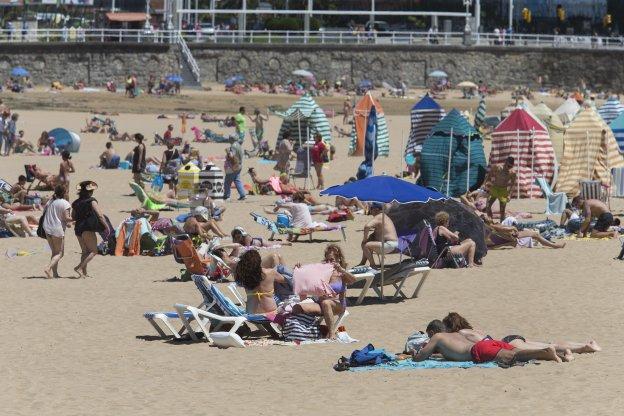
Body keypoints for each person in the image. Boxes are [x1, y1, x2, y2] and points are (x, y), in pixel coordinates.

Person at [442, 312, 600, 358]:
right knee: (551, 343)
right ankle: (583, 344)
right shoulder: (474, 330)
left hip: (509, 344)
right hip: (510, 338)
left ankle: (584, 347)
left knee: (546, 347)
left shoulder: (461, 333)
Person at [412, 319, 564, 366]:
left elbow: (420, 358)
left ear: (432, 332)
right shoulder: (456, 333)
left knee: (514, 356)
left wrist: (414, 354)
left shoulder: (437, 337)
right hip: (488, 343)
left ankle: (546, 352)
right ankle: (562, 353)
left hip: (478, 350)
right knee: (517, 351)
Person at [292, 244, 356, 338]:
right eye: (327, 260)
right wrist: (300, 270)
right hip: (320, 304)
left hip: (338, 304)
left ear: (338, 259)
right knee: (296, 307)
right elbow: (308, 281)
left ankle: (331, 333)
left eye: (332, 260)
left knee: (326, 303)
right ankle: (302, 332)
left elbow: (353, 280)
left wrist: (341, 270)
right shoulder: (321, 272)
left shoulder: (341, 274)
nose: (329, 262)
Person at [72, 181, 109, 278]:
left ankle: (84, 273)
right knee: (94, 251)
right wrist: (106, 226)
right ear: (90, 192)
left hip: (78, 228)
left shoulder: (75, 203)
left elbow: (73, 217)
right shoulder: (91, 201)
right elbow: (100, 215)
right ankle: (79, 268)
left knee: (85, 251)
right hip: (87, 228)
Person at [235, 249, 287, 317]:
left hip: (251, 313)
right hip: (271, 312)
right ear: (259, 262)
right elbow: (285, 280)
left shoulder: (243, 275)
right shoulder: (270, 272)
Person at [480, 213, 565, 249]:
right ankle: (554, 245)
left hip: (509, 237)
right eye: (487, 216)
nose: (489, 216)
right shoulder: (492, 226)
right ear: (485, 220)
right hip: (511, 238)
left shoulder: (493, 225)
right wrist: (513, 228)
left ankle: (552, 244)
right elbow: (504, 229)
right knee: (535, 234)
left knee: (535, 234)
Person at [42, 185, 72, 279]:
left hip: (47, 228)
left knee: (54, 252)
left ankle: (55, 274)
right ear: (64, 193)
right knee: (60, 253)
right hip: (56, 229)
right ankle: (48, 268)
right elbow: (67, 218)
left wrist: (67, 222)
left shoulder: (51, 202)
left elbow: (50, 213)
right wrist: (76, 218)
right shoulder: (65, 203)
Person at [358, 202, 398, 268]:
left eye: (371, 208)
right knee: (369, 240)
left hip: (389, 244)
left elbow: (367, 226)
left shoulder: (379, 216)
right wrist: (369, 238)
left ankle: (373, 266)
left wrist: (364, 239)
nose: (370, 211)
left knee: (366, 245)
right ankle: (362, 263)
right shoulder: (384, 216)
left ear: (376, 209)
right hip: (392, 244)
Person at [485, 156, 517, 221]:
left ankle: (502, 225)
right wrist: (486, 183)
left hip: (503, 191)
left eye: (511, 166)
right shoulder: (498, 167)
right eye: (508, 166)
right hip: (494, 188)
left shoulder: (512, 173)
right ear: (505, 162)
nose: (509, 168)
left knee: (502, 211)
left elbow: (513, 184)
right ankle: (490, 221)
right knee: (488, 206)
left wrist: (509, 195)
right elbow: (489, 174)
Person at [223, 135, 246, 201]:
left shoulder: (233, 146)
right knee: (237, 180)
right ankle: (242, 195)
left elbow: (231, 155)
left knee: (227, 181)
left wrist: (227, 152)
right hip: (239, 165)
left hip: (233, 166)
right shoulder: (238, 144)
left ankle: (227, 196)